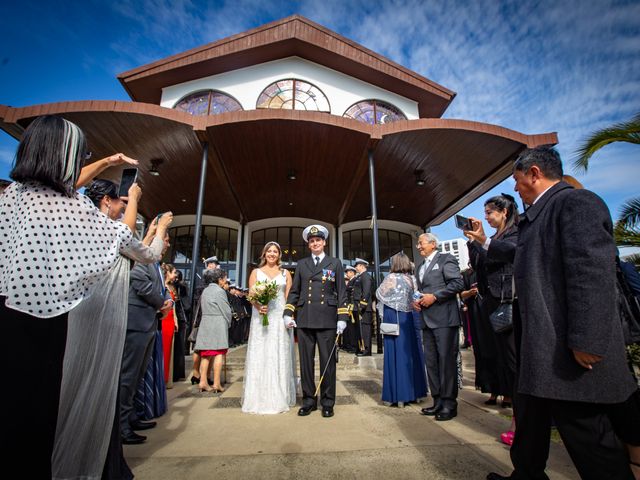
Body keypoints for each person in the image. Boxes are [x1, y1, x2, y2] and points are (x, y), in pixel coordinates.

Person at [465, 146, 636, 480]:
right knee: (529, 428)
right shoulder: (538, 214)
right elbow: (516, 253)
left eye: (517, 181)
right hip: (537, 347)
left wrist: (587, 339)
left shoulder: (575, 203)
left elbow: (590, 274)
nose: (515, 189)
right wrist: (484, 242)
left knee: (589, 441)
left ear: (534, 173)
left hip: (565, 351)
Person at [0, 115, 149, 477]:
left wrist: (109, 161)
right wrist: (133, 200)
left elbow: (65, 181)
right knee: (35, 421)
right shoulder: (67, 207)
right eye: (80, 154)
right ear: (64, 157)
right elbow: (124, 239)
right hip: (40, 326)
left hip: (7, 314)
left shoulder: (12, 197)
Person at [52, 178, 172, 480]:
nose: (124, 208)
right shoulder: (108, 231)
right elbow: (148, 254)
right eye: (121, 202)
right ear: (107, 201)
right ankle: (95, 448)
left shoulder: (80, 226)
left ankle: (103, 443)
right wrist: (159, 229)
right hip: (103, 316)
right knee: (102, 379)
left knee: (91, 380)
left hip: (85, 313)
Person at [283, 224, 349, 418]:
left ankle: (328, 402)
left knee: (328, 363)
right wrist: (288, 313)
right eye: (312, 241)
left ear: (324, 242)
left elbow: (341, 292)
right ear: (308, 244)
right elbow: (295, 291)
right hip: (305, 318)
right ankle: (309, 401)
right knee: (306, 363)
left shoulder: (334, 263)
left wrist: (342, 317)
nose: (315, 243)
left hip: (327, 319)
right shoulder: (302, 264)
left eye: (318, 240)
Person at [119, 228, 173, 445]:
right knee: (128, 376)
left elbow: (161, 287)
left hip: (149, 324)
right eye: (165, 239)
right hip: (137, 323)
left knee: (138, 375)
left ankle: (131, 416)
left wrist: (167, 299)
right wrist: (161, 304)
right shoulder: (142, 260)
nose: (167, 243)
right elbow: (139, 282)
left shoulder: (157, 265)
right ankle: (121, 426)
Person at [466, 194, 519, 411]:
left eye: (489, 212)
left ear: (504, 212)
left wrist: (484, 240)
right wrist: (473, 241)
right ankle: (504, 391)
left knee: (513, 356)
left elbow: (507, 254)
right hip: (492, 302)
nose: (485, 217)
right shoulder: (495, 236)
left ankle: (517, 402)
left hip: (509, 301)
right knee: (499, 354)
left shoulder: (515, 232)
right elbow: (481, 263)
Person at [414, 233, 464, 421]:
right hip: (426, 321)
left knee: (446, 362)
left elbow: (458, 283)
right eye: (418, 244)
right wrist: (418, 301)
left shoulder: (446, 259)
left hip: (444, 320)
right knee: (432, 363)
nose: (418, 247)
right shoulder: (420, 266)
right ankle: (437, 401)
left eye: (421, 243)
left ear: (433, 244)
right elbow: (422, 291)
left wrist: (434, 296)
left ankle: (449, 403)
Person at [242, 241, 296, 414]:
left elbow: (289, 297)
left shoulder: (285, 273)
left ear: (279, 254)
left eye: (275, 251)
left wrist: (290, 316)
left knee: (279, 352)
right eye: (269, 251)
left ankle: (281, 394)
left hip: (280, 318)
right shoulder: (255, 272)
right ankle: (257, 396)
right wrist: (259, 306)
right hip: (262, 318)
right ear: (264, 254)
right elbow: (251, 295)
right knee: (262, 352)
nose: (272, 254)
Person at [376, 252, 428, 406]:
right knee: (411, 353)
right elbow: (416, 296)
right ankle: (415, 392)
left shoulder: (391, 278)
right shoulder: (412, 279)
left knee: (396, 353)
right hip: (410, 317)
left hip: (394, 316)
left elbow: (379, 294)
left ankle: (397, 394)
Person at [194, 268, 232, 392]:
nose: (225, 281)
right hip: (217, 323)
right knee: (219, 353)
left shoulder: (205, 290)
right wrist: (229, 321)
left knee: (206, 354)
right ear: (219, 279)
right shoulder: (219, 291)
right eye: (224, 278)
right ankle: (216, 383)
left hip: (206, 322)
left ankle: (203, 382)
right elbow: (225, 309)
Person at [189, 255, 219, 385]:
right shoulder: (202, 282)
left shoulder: (214, 281)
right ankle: (196, 373)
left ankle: (206, 374)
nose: (215, 266)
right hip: (201, 316)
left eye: (216, 264)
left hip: (212, 316)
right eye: (212, 264)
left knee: (211, 347)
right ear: (207, 265)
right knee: (198, 347)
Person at [161, 263, 179, 387]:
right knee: (162, 348)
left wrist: (176, 319)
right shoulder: (161, 285)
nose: (175, 275)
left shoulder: (172, 288)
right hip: (163, 318)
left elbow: (174, 306)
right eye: (174, 272)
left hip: (170, 319)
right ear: (168, 273)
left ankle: (167, 378)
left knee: (169, 349)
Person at [353, 258, 374, 356]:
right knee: (360, 329)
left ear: (362, 266)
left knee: (365, 329)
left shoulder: (366, 276)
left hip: (364, 308)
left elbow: (366, 292)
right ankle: (361, 348)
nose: (355, 267)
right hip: (359, 307)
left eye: (357, 265)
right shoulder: (360, 277)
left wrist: (362, 305)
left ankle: (366, 350)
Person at [342, 265, 358, 353]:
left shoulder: (355, 280)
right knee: (348, 328)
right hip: (348, 306)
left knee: (352, 329)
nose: (347, 274)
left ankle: (353, 346)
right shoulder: (351, 281)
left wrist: (350, 305)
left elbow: (352, 295)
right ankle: (348, 345)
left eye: (348, 272)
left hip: (351, 306)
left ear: (352, 272)